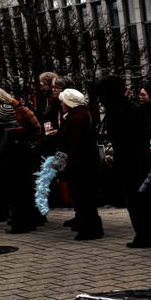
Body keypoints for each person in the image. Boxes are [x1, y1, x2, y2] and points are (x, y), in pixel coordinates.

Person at [95, 76, 151, 248]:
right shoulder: (130, 107)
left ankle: (143, 235)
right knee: (145, 198)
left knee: (135, 201)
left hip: (129, 161)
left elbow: (120, 142)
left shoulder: (115, 112)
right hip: (141, 159)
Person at [0, 87, 44, 234]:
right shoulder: (13, 114)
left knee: (18, 192)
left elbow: (36, 129)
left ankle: (22, 222)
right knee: (25, 190)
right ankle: (30, 220)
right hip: (26, 155)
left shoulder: (12, 115)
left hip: (17, 157)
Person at [55, 88, 103, 240]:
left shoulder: (76, 119)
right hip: (85, 164)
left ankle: (89, 229)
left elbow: (74, 146)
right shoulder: (82, 115)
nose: (61, 104)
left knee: (83, 198)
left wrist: (65, 166)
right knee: (86, 199)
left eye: (63, 102)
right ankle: (91, 227)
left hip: (80, 166)